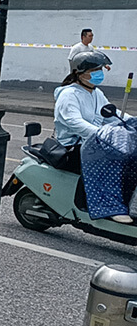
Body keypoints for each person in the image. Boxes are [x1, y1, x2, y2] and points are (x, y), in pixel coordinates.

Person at [54, 50, 134, 223]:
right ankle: (109, 206)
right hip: (74, 145)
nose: (99, 74)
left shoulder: (96, 93)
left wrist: (132, 122)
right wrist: (101, 135)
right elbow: (74, 122)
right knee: (114, 158)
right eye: (94, 70)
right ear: (79, 73)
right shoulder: (69, 95)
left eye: (100, 70)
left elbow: (112, 113)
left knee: (131, 155)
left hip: (95, 140)